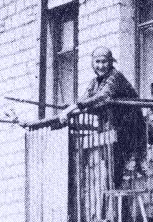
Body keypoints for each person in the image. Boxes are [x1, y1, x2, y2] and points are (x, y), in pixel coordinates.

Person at [60, 47, 145, 187]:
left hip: (130, 129)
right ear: (93, 63)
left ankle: (117, 194)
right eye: (97, 62)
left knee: (118, 171)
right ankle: (114, 194)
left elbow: (102, 96)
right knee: (111, 170)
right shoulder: (94, 82)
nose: (101, 66)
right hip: (112, 129)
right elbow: (84, 98)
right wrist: (69, 109)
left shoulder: (115, 76)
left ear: (110, 62)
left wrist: (71, 108)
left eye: (104, 62)